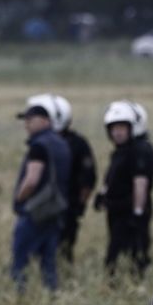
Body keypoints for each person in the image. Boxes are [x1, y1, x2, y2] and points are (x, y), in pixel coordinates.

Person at [11, 102, 72, 291]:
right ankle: (51, 297)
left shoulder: (38, 146)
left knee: (20, 261)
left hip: (35, 211)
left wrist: (19, 199)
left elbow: (31, 180)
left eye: (30, 120)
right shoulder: (61, 143)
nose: (26, 124)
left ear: (45, 121)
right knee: (48, 263)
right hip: (55, 211)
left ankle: (20, 296)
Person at [94, 100, 153, 277]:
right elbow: (112, 176)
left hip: (130, 212)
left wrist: (137, 212)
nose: (117, 132)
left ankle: (133, 284)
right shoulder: (121, 151)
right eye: (113, 128)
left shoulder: (140, 150)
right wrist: (103, 194)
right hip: (117, 211)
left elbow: (141, 183)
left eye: (122, 127)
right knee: (116, 252)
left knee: (135, 253)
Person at [53, 95, 98, 264]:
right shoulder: (42, 143)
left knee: (64, 246)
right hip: (46, 206)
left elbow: (89, 178)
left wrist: (79, 205)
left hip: (68, 205)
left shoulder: (77, 143)